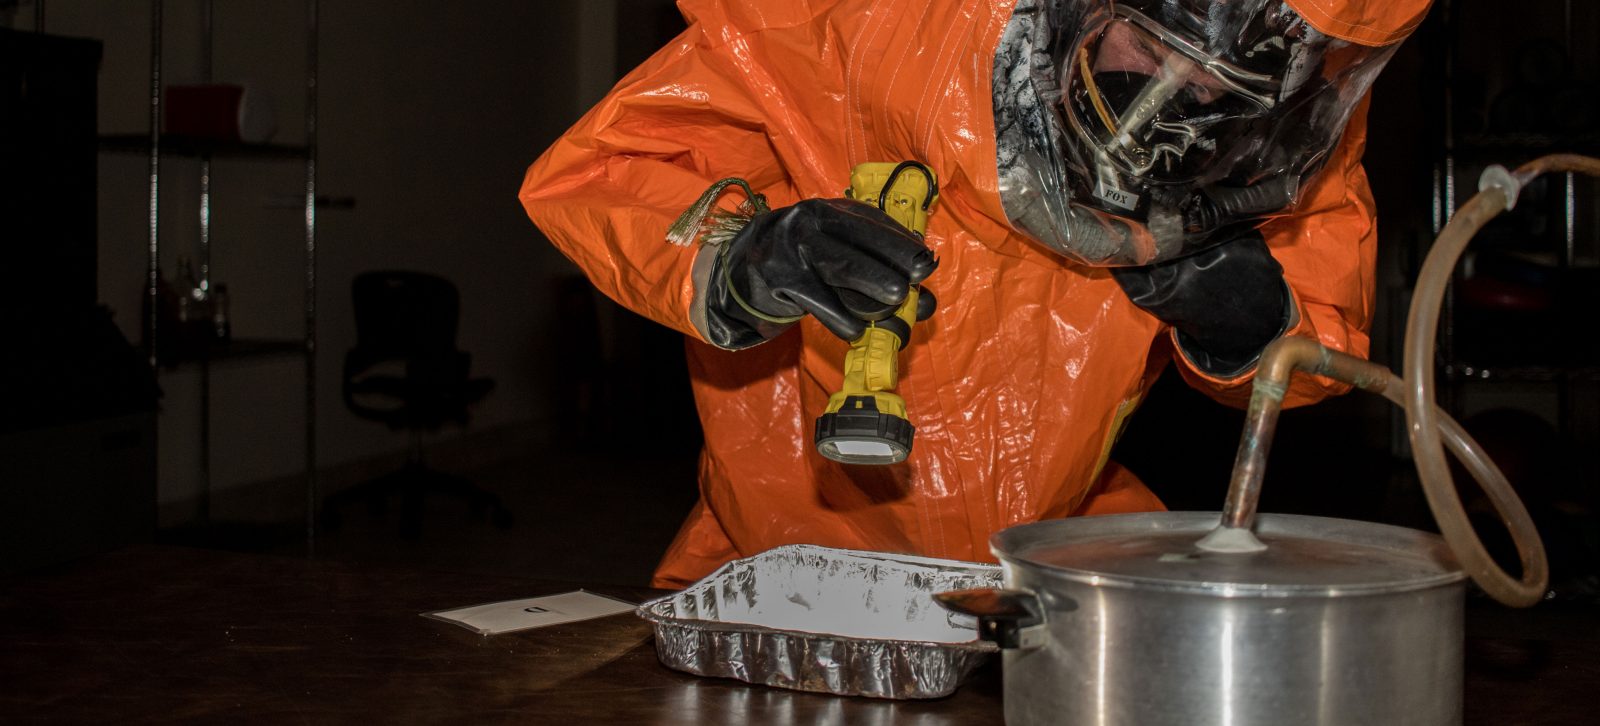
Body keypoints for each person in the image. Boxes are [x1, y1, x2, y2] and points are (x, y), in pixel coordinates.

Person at [520, 0, 1431, 588]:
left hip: (1056, 569)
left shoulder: (1271, 143)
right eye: (1152, 47)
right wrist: (745, 254)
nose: (1173, 105)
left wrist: (1248, 324)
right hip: (790, 561)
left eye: (1223, 87)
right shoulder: (866, 27)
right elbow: (603, 175)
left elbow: (1320, 352)